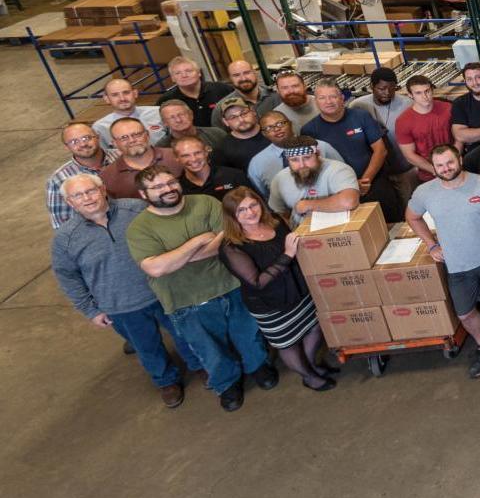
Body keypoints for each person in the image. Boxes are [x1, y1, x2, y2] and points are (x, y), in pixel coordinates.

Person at [125, 166, 276, 411]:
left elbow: (227, 238)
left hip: (230, 285)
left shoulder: (205, 203)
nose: (168, 189)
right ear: (143, 194)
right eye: (158, 187)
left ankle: (258, 367)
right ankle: (228, 385)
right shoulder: (139, 228)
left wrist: (173, 258)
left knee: (247, 334)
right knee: (210, 350)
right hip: (187, 300)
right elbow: (155, 268)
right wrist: (196, 242)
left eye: (170, 182)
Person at [51, 173, 201, 408]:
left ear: (102, 190)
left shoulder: (136, 209)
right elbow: (67, 276)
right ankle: (166, 381)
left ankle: (200, 364)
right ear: (70, 203)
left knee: (186, 332)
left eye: (90, 191)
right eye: (78, 196)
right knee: (146, 347)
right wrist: (90, 310)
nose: (87, 198)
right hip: (119, 305)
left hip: (163, 291)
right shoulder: (65, 238)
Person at [404, 145, 480, 379]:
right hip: (457, 266)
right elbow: (412, 217)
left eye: (449, 163)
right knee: (465, 314)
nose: (446, 168)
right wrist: (431, 244)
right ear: (434, 167)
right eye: (440, 165)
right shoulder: (425, 192)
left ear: (459, 159)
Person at [217, 187, 335, 391]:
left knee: (314, 327)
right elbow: (257, 282)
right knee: (288, 343)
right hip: (270, 303)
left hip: (298, 290)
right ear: (232, 216)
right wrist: (287, 254)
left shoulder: (276, 222)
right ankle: (309, 377)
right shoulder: (231, 246)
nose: (250, 213)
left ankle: (311, 365)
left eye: (253, 205)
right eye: (241, 210)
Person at [303, 79, 397, 217]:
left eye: (333, 97)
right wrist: (350, 186)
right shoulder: (309, 130)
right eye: (322, 98)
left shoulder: (360, 116)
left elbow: (380, 150)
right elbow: (314, 165)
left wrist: (366, 180)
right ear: (315, 101)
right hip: (338, 191)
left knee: (392, 221)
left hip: (374, 182)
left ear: (342, 98)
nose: (328, 102)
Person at [352, 66, 419, 203]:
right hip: (379, 174)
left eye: (392, 88)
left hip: (405, 170)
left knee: (410, 204)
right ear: (372, 86)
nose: (387, 93)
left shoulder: (408, 104)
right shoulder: (358, 106)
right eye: (381, 89)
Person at [267, 137, 360, 226]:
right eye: (294, 160)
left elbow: (349, 201)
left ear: (318, 154)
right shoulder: (279, 179)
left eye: (307, 158)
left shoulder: (338, 169)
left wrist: (308, 205)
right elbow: (279, 214)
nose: (302, 165)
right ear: (288, 160)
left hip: (342, 227)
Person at [246, 113, 342, 197]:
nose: (276, 129)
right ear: (264, 134)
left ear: (290, 124)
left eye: (280, 123)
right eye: (269, 128)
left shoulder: (321, 146)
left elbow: (342, 172)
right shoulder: (257, 163)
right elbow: (265, 195)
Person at [45, 123, 118, 230]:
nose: (83, 144)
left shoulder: (122, 157)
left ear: (97, 137)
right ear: (67, 147)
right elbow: (62, 225)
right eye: (74, 141)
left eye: (86, 138)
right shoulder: (58, 180)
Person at [102, 118, 182, 199]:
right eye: (124, 137)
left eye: (136, 134)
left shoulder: (176, 156)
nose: (132, 140)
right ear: (114, 143)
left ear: (147, 135)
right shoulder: (107, 177)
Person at [396, 75, 455, 182]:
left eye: (427, 91)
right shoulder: (403, 121)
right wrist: (435, 170)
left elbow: (459, 136)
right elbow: (409, 155)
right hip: (428, 176)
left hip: (455, 168)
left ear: (432, 90)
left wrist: (455, 162)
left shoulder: (448, 109)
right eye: (418, 93)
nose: (425, 96)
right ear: (410, 95)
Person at [157, 56, 235, 127]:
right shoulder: (166, 101)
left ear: (199, 73)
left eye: (188, 71)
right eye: (178, 73)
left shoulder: (222, 89)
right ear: (172, 78)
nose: (184, 75)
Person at [93, 77, 168, 144]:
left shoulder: (159, 113)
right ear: (106, 99)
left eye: (126, 93)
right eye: (115, 95)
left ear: (135, 93)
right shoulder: (100, 127)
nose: (122, 98)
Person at [173, 136, 250, 199]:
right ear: (177, 158)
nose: (194, 159)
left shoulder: (234, 176)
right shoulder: (178, 188)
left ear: (206, 152)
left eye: (197, 153)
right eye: (186, 155)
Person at [212, 100, 269, 176]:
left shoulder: (272, 130)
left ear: (253, 111)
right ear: (225, 122)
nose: (241, 120)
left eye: (244, 113)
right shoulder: (222, 149)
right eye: (233, 117)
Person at [155, 100, 225, 152]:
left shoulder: (216, 134)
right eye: (172, 117)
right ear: (165, 123)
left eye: (181, 114)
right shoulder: (162, 148)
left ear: (191, 115)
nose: (178, 120)